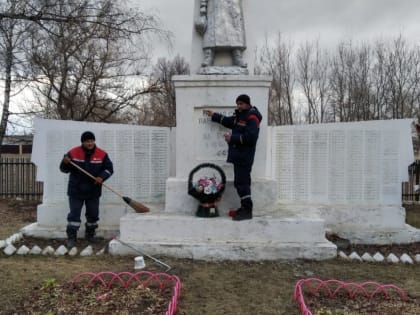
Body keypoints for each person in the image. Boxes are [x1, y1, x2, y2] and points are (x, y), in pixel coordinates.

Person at [204, 94, 262, 221]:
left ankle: (247, 211)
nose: (238, 106)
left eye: (241, 103)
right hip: (239, 156)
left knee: (242, 183)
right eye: (237, 104)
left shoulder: (252, 117)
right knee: (240, 182)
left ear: (247, 104)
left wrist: (233, 138)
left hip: (244, 156)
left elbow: (252, 137)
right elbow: (229, 121)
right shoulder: (240, 115)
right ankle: (244, 207)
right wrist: (214, 115)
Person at [59, 131, 114, 248]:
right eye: (87, 141)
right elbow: (63, 169)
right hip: (76, 190)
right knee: (74, 215)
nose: (90, 143)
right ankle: (71, 238)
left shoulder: (102, 154)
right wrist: (65, 163)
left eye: (91, 141)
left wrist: (101, 177)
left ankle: (90, 235)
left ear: (94, 141)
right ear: (82, 142)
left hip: (93, 190)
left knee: (93, 215)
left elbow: (109, 169)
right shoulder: (73, 152)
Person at [195, 0, 247, 68]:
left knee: (235, 28)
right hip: (214, 5)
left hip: (232, 4)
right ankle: (209, 55)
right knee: (211, 29)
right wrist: (203, 6)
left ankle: (237, 55)